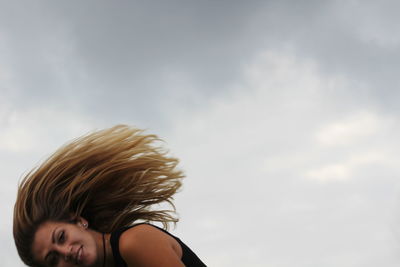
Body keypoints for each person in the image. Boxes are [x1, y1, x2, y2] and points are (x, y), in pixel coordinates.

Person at [13, 125, 206, 267]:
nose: (66, 252)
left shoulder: (134, 243)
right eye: (53, 259)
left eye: (62, 237)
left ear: (80, 221)